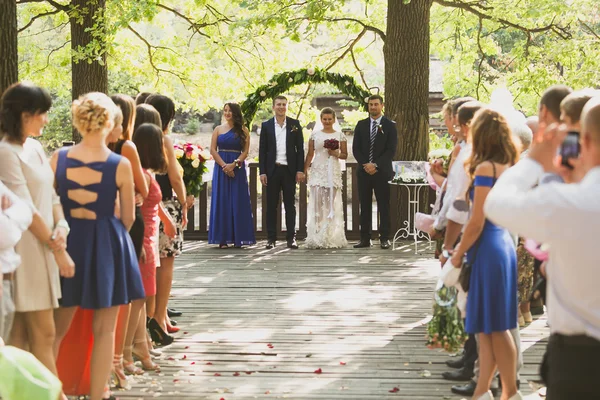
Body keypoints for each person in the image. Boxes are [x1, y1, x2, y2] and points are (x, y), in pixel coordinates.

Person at [52, 92, 145, 400]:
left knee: (56, 329)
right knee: (104, 330)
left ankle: (51, 392)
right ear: (109, 122)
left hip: (68, 243)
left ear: (80, 121)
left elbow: (49, 203)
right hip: (107, 242)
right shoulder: (119, 164)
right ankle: (96, 394)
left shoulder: (58, 158)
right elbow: (129, 218)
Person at [0, 82, 75, 400]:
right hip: (26, 251)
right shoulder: (6, 151)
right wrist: (58, 251)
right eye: (41, 114)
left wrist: (61, 226)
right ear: (24, 115)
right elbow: (26, 208)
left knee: (20, 338)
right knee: (43, 334)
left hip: (45, 245)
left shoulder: (34, 147)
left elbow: (51, 195)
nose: (46, 119)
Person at [449, 108, 521, 400]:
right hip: (503, 243)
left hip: (487, 245)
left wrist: (457, 253)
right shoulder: (510, 166)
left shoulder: (485, 169)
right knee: (489, 328)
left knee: (496, 327)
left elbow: (476, 220)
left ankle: (510, 392)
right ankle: (483, 392)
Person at [145, 94, 187, 344]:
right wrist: (183, 203)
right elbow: (175, 177)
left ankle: (158, 318)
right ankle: (159, 317)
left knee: (152, 266)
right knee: (166, 263)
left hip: (148, 205)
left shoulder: (136, 138)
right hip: (166, 204)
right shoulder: (164, 139)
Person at [259, 95, 305, 249]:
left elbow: (300, 150)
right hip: (272, 170)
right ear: (273, 107)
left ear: (287, 106)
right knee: (271, 206)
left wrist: (299, 169)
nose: (281, 107)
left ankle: (291, 238)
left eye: (284, 104)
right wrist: (262, 172)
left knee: (290, 205)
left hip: (289, 170)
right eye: (278, 104)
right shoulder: (266, 126)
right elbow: (263, 150)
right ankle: (271, 239)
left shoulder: (295, 124)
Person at [352, 95, 397, 249]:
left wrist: (376, 165)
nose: (373, 107)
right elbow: (356, 148)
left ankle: (384, 238)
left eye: (376, 104)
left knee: (383, 205)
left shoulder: (390, 125)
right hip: (364, 172)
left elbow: (391, 150)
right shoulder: (361, 124)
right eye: (370, 104)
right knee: (364, 206)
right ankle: (365, 238)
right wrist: (366, 165)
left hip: (382, 172)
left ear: (382, 105)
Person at [209, 103, 255, 248]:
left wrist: (234, 164)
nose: (227, 113)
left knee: (238, 200)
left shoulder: (243, 130)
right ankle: (222, 239)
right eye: (225, 110)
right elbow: (212, 150)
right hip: (221, 168)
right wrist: (224, 166)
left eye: (230, 111)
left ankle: (238, 238)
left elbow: (245, 152)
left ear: (235, 113)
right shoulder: (218, 129)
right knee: (222, 200)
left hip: (237, 169)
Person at [303, 107, 348, 249]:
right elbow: (310, 154)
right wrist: (305, 170)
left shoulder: (340, 135)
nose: (327, 121)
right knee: (316, 203)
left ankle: (327, 236)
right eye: (325, 119)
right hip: (317, 170)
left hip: (332, 170)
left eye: (330, 119)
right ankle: (316, 235)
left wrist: (336, 154)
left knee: (329, 205)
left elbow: (345, 155)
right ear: (321, 120)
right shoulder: (314, 135)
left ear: (334, 119)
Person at [0, 184, 33, 340]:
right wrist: (11, 221)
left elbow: (27, 211)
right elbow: (5, 235)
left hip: (7, 280)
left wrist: (7, 218)